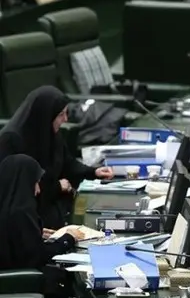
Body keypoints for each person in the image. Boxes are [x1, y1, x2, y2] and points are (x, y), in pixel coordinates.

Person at [0, 86, 114, 229]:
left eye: (66, 113)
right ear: (45, 114)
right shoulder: (11, 140)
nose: (65, 119)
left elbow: (68, 163)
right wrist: (57, 187)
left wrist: (93, 172)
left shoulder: (51, 134)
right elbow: (17, 189)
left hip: (55, 208)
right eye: (61, 115)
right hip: (27, 220)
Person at [0, 154, 84, 270]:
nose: (38, 190)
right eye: (36, 183)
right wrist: (69, 238)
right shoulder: (21, 212)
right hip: (24, 277)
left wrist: (36, 232)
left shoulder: (7, 208)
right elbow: (38, 256)